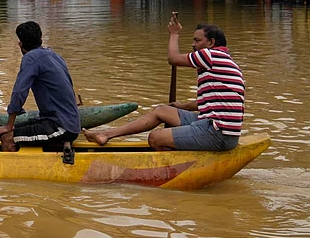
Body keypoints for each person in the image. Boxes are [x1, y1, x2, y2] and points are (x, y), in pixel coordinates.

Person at [83, 16, 244, 151]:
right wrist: (182, 106)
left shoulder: (210, 55)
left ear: (211, 42)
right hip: (212, 125)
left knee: (155, 138)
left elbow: (172, 59)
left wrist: (174, 34)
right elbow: (210, 102)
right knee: (161, 111)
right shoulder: (225, 62)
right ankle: (106, 134)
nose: (193, 45)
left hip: (217, 133)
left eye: (197, 40)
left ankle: (179, 163)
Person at [0, 22, 81, 152]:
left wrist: (9, 126)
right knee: (16, 129)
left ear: (21, 44)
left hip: (61, 127)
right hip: (66, 123)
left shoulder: (30, 58)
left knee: (6, 136)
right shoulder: (54, 55)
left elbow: (19, 92)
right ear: (40, 39)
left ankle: (11, 169)